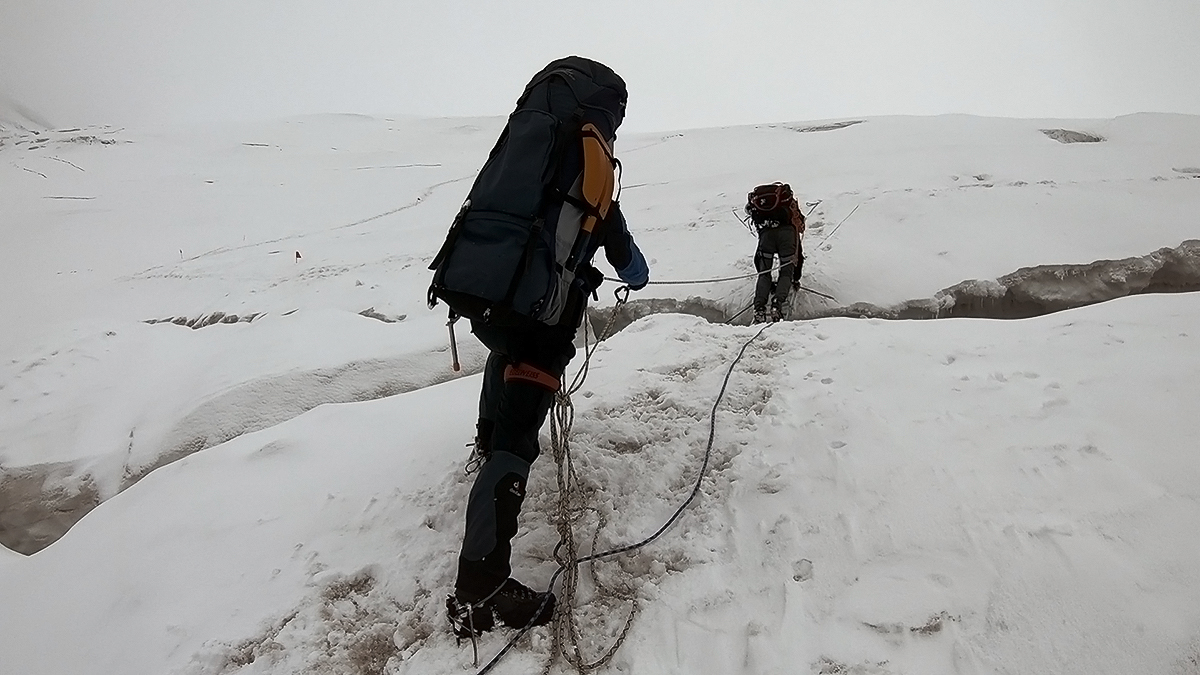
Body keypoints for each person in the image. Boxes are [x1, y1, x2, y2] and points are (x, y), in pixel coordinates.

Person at [433, 57, 649, 638]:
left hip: (485, 294)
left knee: (503, 358)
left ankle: (485, 442)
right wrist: (636, 270)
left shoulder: (528, 144)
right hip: (540, 320)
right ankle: (481, 587)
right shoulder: (591, 161)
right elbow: (622, 250)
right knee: (516, 444)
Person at [745, 182, 805, 323]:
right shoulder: (791, 209)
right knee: (785, 272)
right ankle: (777, 305)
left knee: (764, 273)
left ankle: (759, 308)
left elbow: (757, 261)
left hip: (766, 236)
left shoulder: (762, 210)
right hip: (787, 236)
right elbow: (799, 256)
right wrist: (795, 280)